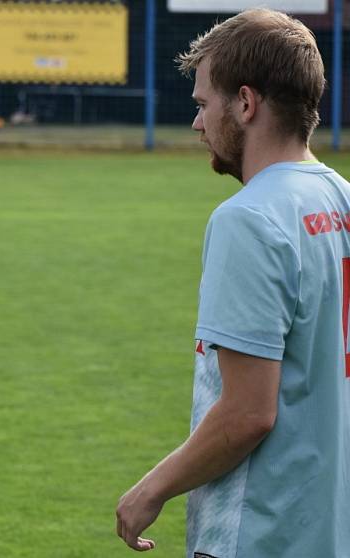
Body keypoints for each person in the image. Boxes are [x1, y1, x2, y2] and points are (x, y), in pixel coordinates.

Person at [116, 9, 350, 557]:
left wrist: (151, 489)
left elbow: (248, 413)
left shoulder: (249, 218)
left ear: (245, 104)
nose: (197, 123)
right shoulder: (342, 198)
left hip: (262, 532)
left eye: (203, 104)